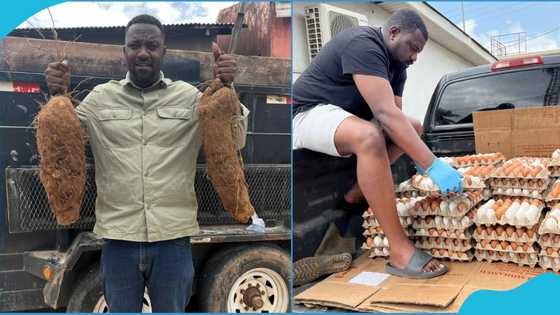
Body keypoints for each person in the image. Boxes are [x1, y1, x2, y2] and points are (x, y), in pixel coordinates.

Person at [44, 14, 248, 311]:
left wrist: (227, 90)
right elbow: (63, 143)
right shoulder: (100, 99)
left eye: (151, 45)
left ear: (163, 52)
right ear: (124, 52)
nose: (143, 52)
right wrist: (56, 95)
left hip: (172, 243)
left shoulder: (190, 98)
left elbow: (235, 141)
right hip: (118, 242)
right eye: (134, 45)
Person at [292, 9, 463, 279]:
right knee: (369, 136)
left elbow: (396, 120)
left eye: (419, 52)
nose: (415, 57)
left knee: (413, 127)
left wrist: (418, 154)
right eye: (413, 48)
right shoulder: (363, 43)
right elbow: (384, 114)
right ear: (394, 32)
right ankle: (399, 251)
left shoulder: (399, 68)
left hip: (343, 119)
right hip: (306, 113)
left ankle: (358, 192)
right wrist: (432, 164)